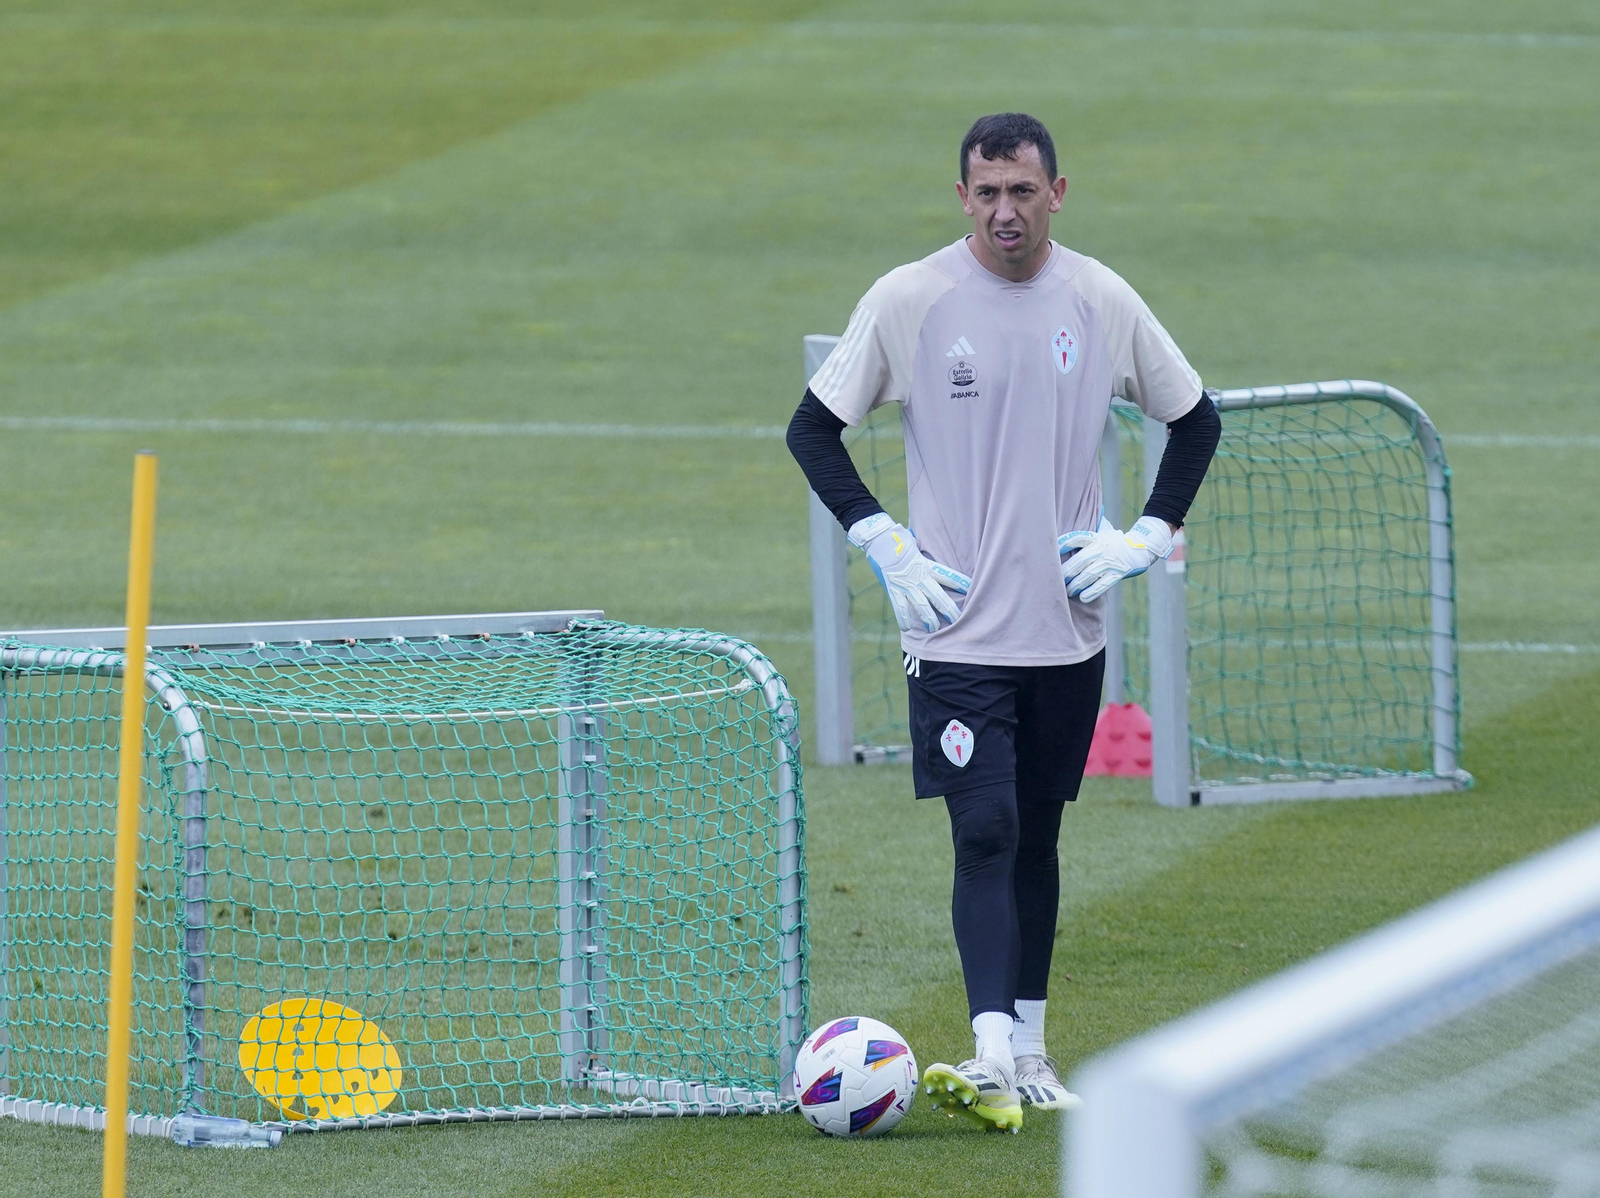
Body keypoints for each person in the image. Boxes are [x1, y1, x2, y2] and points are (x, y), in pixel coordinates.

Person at [786, 112, 1221, 1133]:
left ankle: (1027, 1048)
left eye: (1022, 191)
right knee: (985, 827)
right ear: (961, 197)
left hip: (1067, 630)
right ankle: (986, 1052)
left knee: (1037, 836)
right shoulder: (911, 299)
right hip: (954, 633)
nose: (1004, 211)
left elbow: (1195, 418)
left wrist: (1146, 535)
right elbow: (813, 427)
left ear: (1057, 192)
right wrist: (884, 543)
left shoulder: (1101, 299)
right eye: (985, 192)